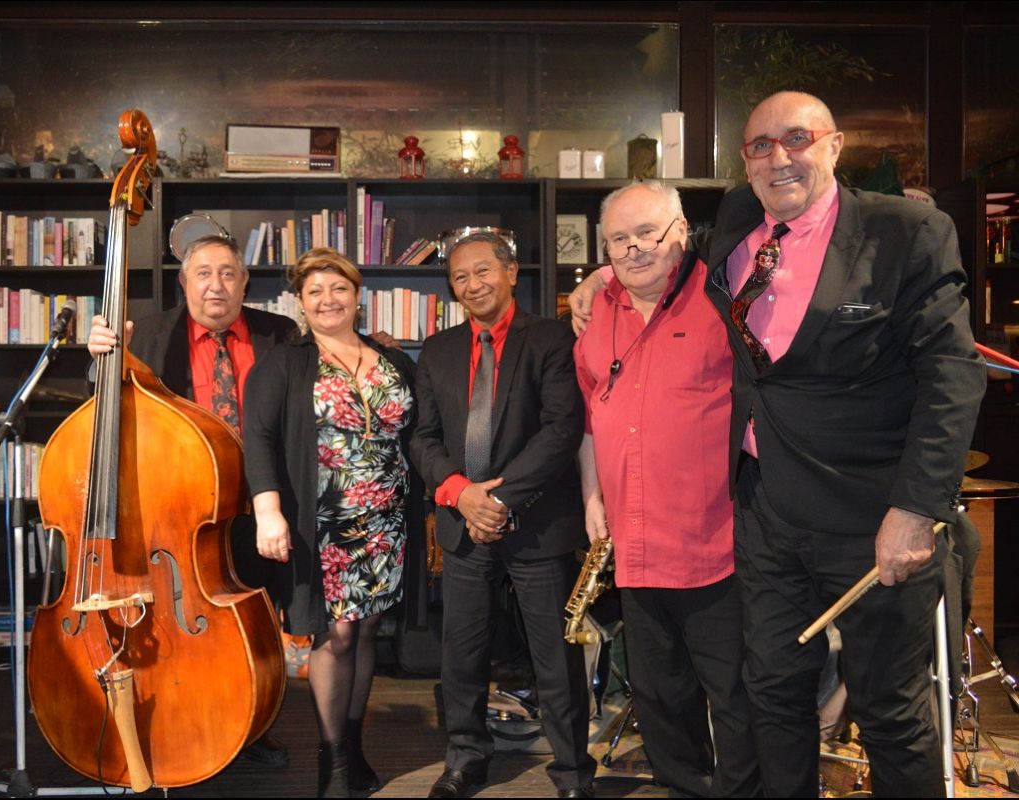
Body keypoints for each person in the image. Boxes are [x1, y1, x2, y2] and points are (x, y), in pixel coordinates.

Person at [574, 91, 984, 796]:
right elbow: (659, 249)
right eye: (760, 146)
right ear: (746, 163)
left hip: (869, 515)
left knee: (889, 708)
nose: (779, 157)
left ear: (834, 145)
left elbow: (952, 374)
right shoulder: (740, 220)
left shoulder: (906, 231)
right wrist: (602, 275)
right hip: (766, 515)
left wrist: (917, 508)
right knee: (771, 695)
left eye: (797, 138)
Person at [574, 181, 760, 797]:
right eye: (618, 240)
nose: (633, 249)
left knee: (734, 692)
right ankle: (685, 787)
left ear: (682, 232)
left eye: (646, 233)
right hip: (634, 542)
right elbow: (590, 413)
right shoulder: (596, 310)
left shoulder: (724, 294)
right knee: (659, 693)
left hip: (717, 541)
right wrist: (592, 495)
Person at [88, 232, 297, 767]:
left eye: (227, 273)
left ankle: (254, 722)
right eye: (203, 273)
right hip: (182, 506)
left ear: (245, 282)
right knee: (193, 621)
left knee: (258, 615)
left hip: (261, 500)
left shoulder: (280, 332)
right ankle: (188, 716)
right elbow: (111, 406)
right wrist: (103, 362)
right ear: (184, 283)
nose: (215, 285)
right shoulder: (148, 333)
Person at [410, 231, 596, 799]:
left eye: (483, 271)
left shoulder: (551, 338)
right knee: (462, 653)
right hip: (463, 526)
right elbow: (423, 438)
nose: (472, 285)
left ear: (511, 272)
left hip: (537, 524)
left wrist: (498, 500)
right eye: (460, 277)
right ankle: (465, 760)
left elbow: (562, 428)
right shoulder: (437, 349)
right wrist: (460, 493)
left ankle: (572, 773)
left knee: (555, 656)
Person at [242, 247, 427, 798]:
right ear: (300, 302)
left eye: (339, 288)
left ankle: (353, 745)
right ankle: (333, 761)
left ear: (357, 294)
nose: (328, 299)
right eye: (315, 291)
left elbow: (419, 430)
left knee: (368, 629)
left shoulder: (391, 359)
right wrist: (267, 511)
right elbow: (259, 438)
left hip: (387, 518)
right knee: (337, 633)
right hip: (322, 521)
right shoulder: (284, 362)